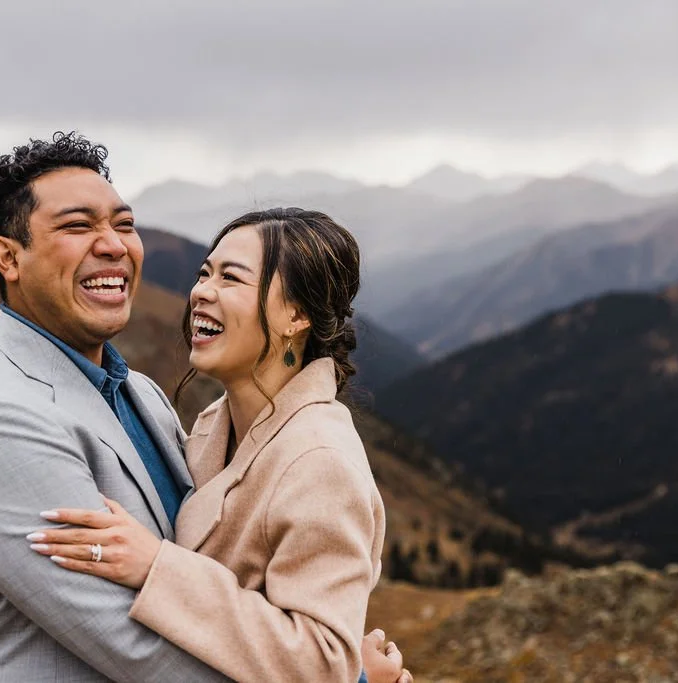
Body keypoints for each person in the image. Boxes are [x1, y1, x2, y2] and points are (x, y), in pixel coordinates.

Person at [0, 132, 409, 682]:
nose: (113, 245)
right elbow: (139, 650)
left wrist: (336, 666)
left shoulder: (145, 397)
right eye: (78, 226)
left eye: (124, 224)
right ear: (9, 257)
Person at [29, 207, 412, 683]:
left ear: (296, 314)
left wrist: (156, 568)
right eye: (204, 273)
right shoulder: (215, 424)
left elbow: (323, 661)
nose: (201, 293)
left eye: (231, 278)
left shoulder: (319, 460)